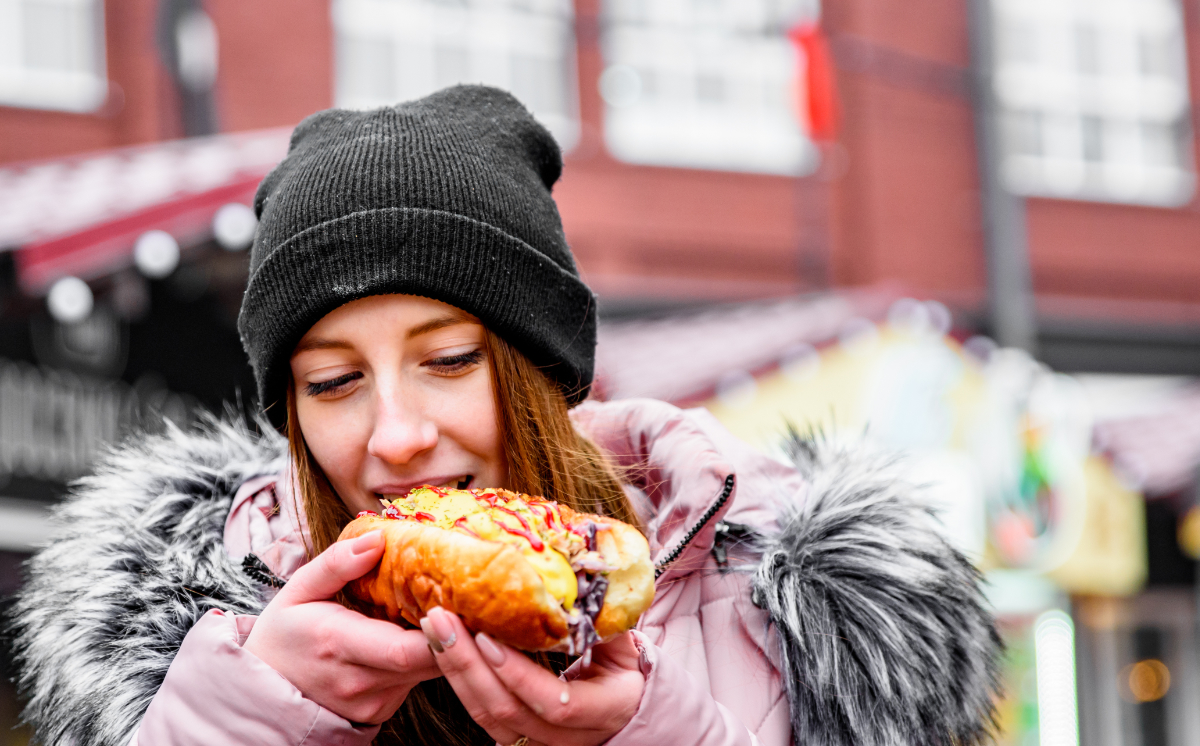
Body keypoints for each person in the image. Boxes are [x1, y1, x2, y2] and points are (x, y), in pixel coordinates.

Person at [10, 86, 1002, 746]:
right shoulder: (196, 624)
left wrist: (651, 732)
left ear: (542, 375)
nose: (396, 435)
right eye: (334, 382)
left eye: (448, 361)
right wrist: (250, 718)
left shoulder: (786, 602)